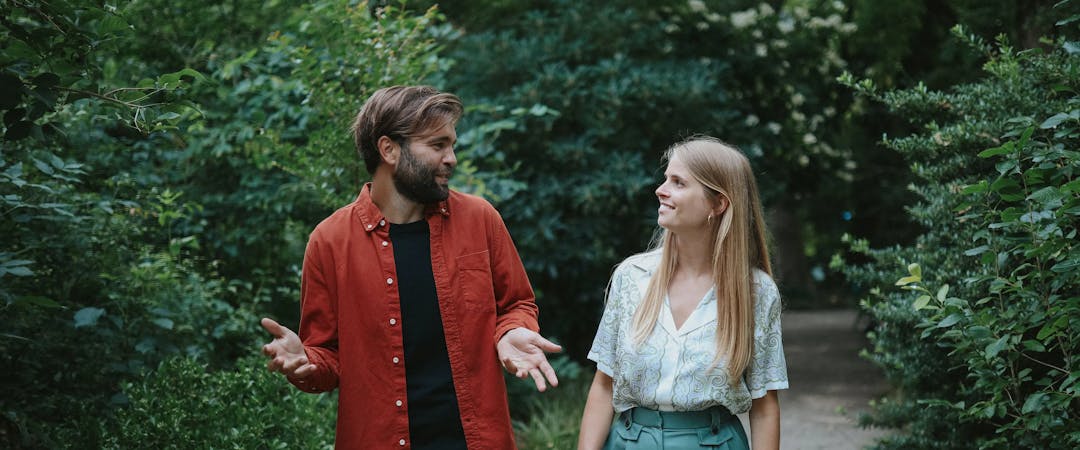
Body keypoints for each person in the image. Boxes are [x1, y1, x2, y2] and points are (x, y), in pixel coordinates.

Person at [259, 85, 562, 450]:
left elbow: (516, 303)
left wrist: (511, 331)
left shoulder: (480, 219)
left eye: (452, 145)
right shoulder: (330, 241)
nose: (451, 158)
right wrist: (304, 361)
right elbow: (327, 359)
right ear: (389, 149)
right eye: (437, 145)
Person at [577, 136, 788, 450]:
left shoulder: (756, 292)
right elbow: (604, 386)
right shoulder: (632, 277)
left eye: (678, 182)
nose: (660, 190)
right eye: (666, 179)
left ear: (718, 204)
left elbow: (765, 406)